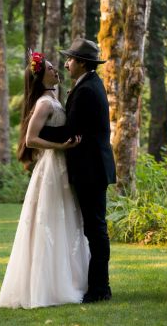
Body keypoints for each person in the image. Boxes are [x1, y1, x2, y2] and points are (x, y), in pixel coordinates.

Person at [0, 51, 88, 309]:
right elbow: (30, 139)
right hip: (51, 167)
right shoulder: (44, 104)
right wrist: (61, 147)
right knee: (51, 219)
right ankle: (48, 286)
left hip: (61, 164)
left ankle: (69, 278)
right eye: (50, 68)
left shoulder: (53, 98)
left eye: (55, 67)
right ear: (40, 75)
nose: (56, 70)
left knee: (66, 218)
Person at [40, 37, 117, 303]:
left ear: (82, 63)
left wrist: (36, 131)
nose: (67, 63)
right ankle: (97, 285)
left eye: (71, 59)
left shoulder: (86, 90)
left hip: (91, 169)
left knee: (95, 229)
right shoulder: (88, 84)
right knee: (94, 229)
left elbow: (70, 130)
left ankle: (100, 289)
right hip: (92, 167)